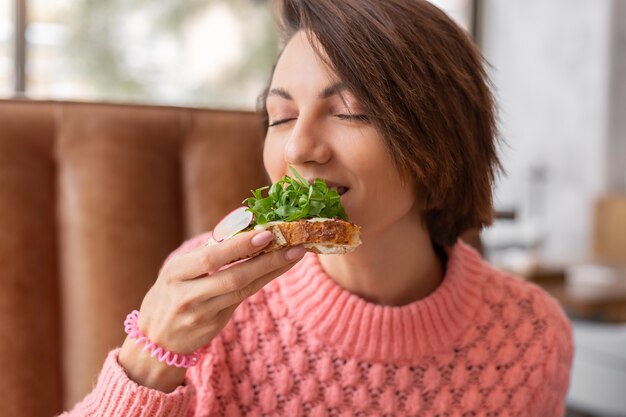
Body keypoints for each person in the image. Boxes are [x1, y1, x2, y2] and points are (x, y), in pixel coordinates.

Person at [60, 0, 573, 416]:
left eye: (350, 111)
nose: (298, 147)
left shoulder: (530, 338)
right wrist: (151, 356)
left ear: (438, 141)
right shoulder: (209, 299)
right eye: (280, 117)